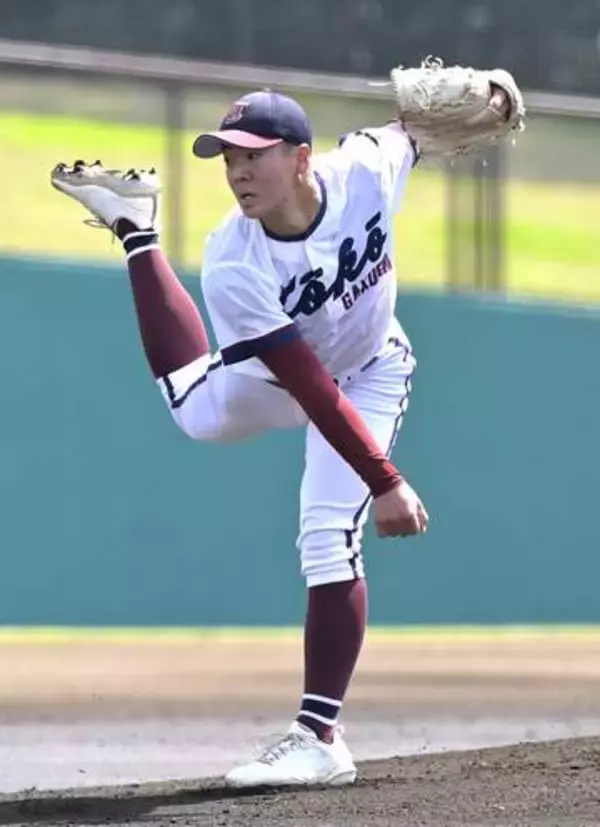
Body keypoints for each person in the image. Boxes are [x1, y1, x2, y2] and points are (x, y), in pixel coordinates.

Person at [50, 78, 513, 788]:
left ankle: (318, 736)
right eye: (227, 159)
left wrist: (493, 92)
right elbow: (303, 380)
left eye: (252, 156)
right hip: (283, 381)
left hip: (372, 367)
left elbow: (413, 128)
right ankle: (137, 228)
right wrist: (384, 479)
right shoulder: (234, 259)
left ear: (300, 158)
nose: (237, 172)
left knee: (327, 533)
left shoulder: (363, 167)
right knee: (196, 414)